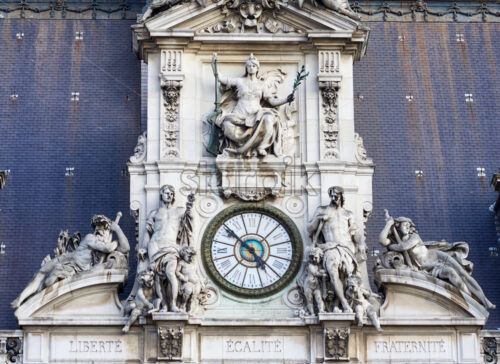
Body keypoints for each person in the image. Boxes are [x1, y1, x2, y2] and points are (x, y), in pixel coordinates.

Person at [379, 213, 495, 311]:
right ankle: (469, 300)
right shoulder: (396, 240)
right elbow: (382, 240)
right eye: (404, 225)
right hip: (427, 266)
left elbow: (403, 247)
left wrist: (392, 246)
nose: (407, 227)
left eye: (408, 225)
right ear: (398, 226)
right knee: (452, 273)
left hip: (436, 256)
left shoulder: (414, 237)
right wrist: (389, 224)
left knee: (463, 274)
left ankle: (484, 301)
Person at [11, 214, 129, 309]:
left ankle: (44, 289)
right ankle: (21, 299)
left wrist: (117, 230)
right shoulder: (91, 238)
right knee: (41, 272)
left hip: (75, 267)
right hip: (69, 259)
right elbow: (107, 248)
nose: (100, 232)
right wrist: (114, 243)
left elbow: (125, 248)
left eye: (103, 230)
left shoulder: (104, 248)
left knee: (51, 276)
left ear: (108, 232)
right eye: (97, 230)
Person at [212, 53, 294, 158]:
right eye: (249, 66)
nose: (251, 68)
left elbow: (272, 102)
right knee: (227, 124)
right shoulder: (239, 81)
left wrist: (286, 99)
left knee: (269, 118)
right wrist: (214, 65)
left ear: (257, 68)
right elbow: (220, 78)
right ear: (246, 68)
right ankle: (242, 147)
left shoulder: (262, 85)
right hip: (240, 113)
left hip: (256, 114)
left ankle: (261, 146)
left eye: (254, 66)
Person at [307, 186, 362, 313]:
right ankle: (344, 304)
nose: (333, 198)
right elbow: (310, 228)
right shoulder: (322, 210)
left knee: (348, 276)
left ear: (341, 196)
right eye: (331, 195)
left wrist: (361, 245)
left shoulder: (348, 214)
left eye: (336, 196)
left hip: (346, 248)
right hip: (330, 247)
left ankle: (339, 304)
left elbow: (355, 233)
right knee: (333, 273)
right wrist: (318, 219)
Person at [146, 185, 185, 312]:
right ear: (161, 195)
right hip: (155, 245)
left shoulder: (179, 211)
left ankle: (173, 304)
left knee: (170, 273)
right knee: (157, 276)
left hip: (171, 246)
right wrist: (143, 249)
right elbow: (148, 234)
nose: (169, 195)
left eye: (171, 194)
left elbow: (189, 225)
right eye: (166, 193)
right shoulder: (154, 213)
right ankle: (163, 305)